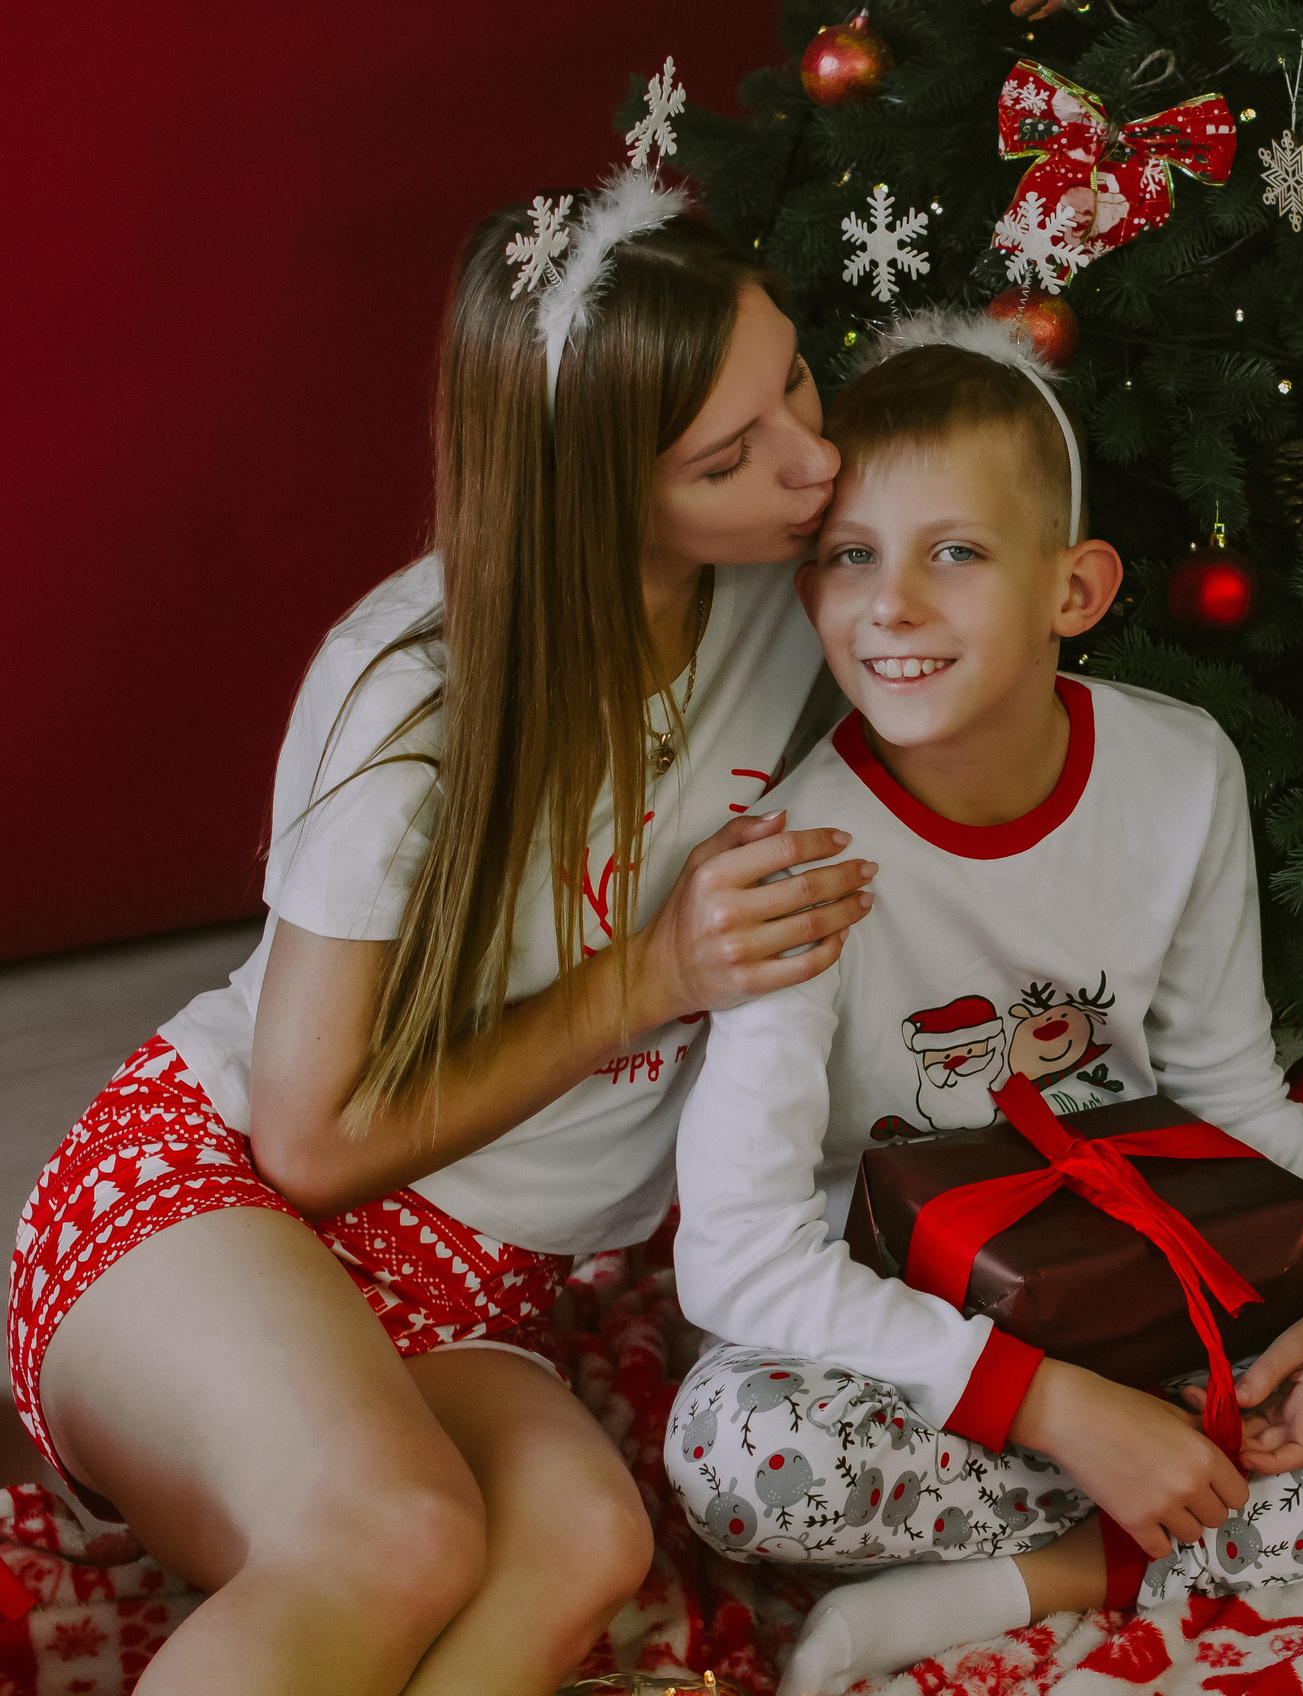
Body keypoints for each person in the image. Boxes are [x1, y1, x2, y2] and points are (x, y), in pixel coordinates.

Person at [7, 173, 878, 1696]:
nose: (815, 465)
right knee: (399, 1539)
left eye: (797, 375)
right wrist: (653, 974)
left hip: (482, 1292)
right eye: (730, 454)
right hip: (217, 1197)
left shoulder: (792, 586)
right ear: (594, 483)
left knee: (582, 1549)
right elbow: (310, 1139)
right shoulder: (411, 693)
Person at [661, 314, 1303, 1695]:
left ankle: (1053, 1572)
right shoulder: (796, 865)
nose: (893, 607)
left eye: (957, 553)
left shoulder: (1178, 772)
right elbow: (737, 1260)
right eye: (850, 557)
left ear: (1076, 587)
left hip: (1153, 1279)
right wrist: (1049, 1406)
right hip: (909, 1337)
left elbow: (1228, 1088)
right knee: (735, 1458)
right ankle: (1161, 1513)